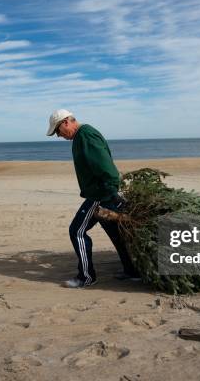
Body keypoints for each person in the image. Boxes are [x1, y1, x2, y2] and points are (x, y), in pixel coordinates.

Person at [46, 109, 140, 288]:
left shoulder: (85, 135)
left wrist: (109, 190)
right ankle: (133, 271)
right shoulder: (82, 136)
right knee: (117, 234)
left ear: (66, 122)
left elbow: (106, 167)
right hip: (104, 193)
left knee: (77, 231)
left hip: (100, 195)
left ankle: (86, 277)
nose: (58, 135)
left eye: (58, 131)